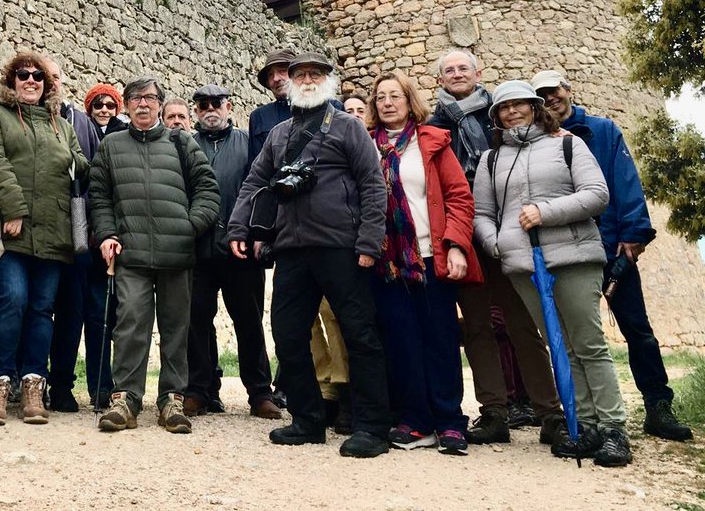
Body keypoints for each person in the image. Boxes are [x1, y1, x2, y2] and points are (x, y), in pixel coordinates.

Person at [228, 52, 392, 457]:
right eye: (299, 74)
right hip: (292, 249)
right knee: (286, 334)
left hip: (341, 246)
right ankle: (307, 419)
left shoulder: (349, 127)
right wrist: (238, 227)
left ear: (327, 81)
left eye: (314, 73)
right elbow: (254, 182)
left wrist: (370, 242)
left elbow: (373, 184)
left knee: (360, 334)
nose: (306, 79)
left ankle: (372, 426)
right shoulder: (279, 134)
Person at [472, 80, 629, 466]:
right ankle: (585, 425)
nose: (512, 113)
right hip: (525, 264)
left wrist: (546, 211)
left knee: (587, 343)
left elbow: (597, 194)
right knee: (560, 345)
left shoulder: (567, 144)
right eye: (504, 109)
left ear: (535, 107)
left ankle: (613, 429)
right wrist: (498, 243)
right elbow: (483, 213)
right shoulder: (492, 159)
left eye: (519, 105)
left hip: (574, 255)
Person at [533, 70, 692, 442]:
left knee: (638, 330)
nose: (551, 99)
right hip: (568, 250)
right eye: (541, 96)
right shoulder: (540, 142)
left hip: (608, 246)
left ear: (568, 90)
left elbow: (624, 181)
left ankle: (657, 405)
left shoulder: (602, 132)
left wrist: (634, 235)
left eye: (554, 91)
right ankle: (585, 419)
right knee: (573, 338)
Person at [428, 49, 562, 446]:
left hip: (507, 229)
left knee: (521, 320)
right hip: (460, 232)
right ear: (439, 80)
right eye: (448, 70)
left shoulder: (502, 117)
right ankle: (494, 411)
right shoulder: (434, 127)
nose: (456, 74)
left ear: (478, 73)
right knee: (477, 326)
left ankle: (548, 409)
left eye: (463, 68)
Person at [90, 76, 220, 434]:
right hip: (130, 254)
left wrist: (188, 226)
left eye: (150, 98)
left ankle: (171, 400)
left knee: (177, 328)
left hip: (177, 254)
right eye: (135, 98)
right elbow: (99, 196)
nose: (143, 104)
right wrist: (107, 234)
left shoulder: (182, 143)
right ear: (127, 105)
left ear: (160, 104)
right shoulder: (112, 146)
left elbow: (208, 190)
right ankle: (126, 400)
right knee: (130, 323)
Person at [365, 72, 481, 455]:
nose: (387, 103)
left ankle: (449, 421)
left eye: (394, 95)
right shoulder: (366, 147)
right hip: (387, 262)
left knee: (440, 340)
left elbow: (459, 197)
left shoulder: (431, 141)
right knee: (400, 341)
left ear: (409, 100)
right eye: (380, 97)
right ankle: (415, 420)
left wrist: (457, 246)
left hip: (430, 256)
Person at [0, 52, 88, 425]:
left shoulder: (62, 124)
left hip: (55, 233)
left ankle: (32, 385)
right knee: (12, 301)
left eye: (38, 76)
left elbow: (78, 164)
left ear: (47, 84)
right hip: (15, 229)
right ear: (12, 80)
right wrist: (14, 209)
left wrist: (81, 164)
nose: (30, 80)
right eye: (22, 75)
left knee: (42, 310)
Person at [183, 84, 280, 420]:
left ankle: (259, 393)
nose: (210, 109)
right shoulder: (185, 145)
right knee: (196, 321)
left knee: (249, 321)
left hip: (240, 250)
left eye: (216, 103)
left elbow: (261, 189)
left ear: (229, 106)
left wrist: (257, 234)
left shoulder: (247, 142)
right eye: (203, 104)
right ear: (196, 111)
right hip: (197, 249)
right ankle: (200, 389)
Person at [46, 58, 111, 412]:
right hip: (36, 231)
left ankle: (62, 386)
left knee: (74, 311)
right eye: (44, 76)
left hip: (76, 232)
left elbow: (94, 176)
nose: (50, 82)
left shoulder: (81, 122)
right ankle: (28, 382)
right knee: (35, 309)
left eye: (55, 76)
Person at [248, 47, 296, 164]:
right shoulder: (259, 116)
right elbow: (254, 165)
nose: (275, 78)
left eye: (282, 71)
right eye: (270, 75)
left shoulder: (328, 108)